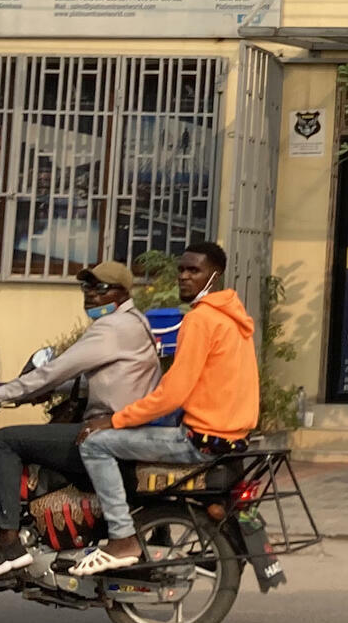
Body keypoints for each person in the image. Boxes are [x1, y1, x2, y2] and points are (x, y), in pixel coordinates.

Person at [0, 260, 163, 581]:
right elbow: (83, 376)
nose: (90, 294)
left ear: (121, 293)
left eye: (99, 288)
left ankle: (8, 544)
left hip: (109, 433)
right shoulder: (136, 322)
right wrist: (28, 391)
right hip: (125, 430)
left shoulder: (112, 328)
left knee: (5, 441)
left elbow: (55, 370)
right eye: (86, 287)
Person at [66, 240, 258, 576]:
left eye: (194, 270)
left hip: (199, 439)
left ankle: (121, 538)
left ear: (215, 276)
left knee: (95, 444)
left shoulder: (200, 320)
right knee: (141, 431)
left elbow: (172, 394)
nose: (184, 276)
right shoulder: (233, 319)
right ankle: (157, 530)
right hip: (230, 437)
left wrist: (115, 420)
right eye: (181, 269)